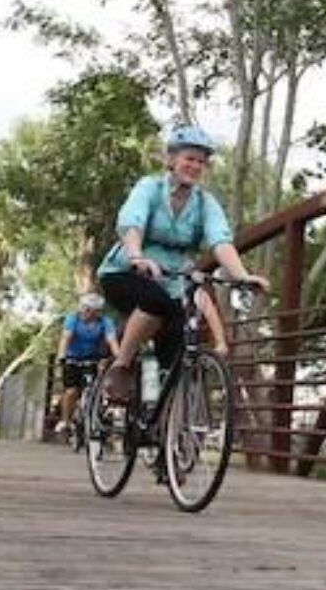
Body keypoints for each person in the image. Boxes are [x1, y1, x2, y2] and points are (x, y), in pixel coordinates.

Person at [97, 124, 266, 405]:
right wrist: (137, 256)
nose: (195, 166)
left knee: (179, 344)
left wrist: (242, 276)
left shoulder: (204, 203)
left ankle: (163, 420)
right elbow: (131, 222)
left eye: (201, 162)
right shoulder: (150, 188)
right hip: (127, 272)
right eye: (189, 158)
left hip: (173, 280)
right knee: (155, 302)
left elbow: (220, 241)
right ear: (172, 160)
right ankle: (121, 366)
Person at [55, 293, 119, 435]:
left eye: (93, 311)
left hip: (92, 359)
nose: (88, 313)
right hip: (72, 358)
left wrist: (118, 357)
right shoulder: (73, 319)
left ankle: (95, 416)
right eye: (86, 309)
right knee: (71, 391)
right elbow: (66, 338)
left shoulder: (105, 322)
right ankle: (66, 421)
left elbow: (111, 340)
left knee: (95, 389)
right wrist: (62, 356)